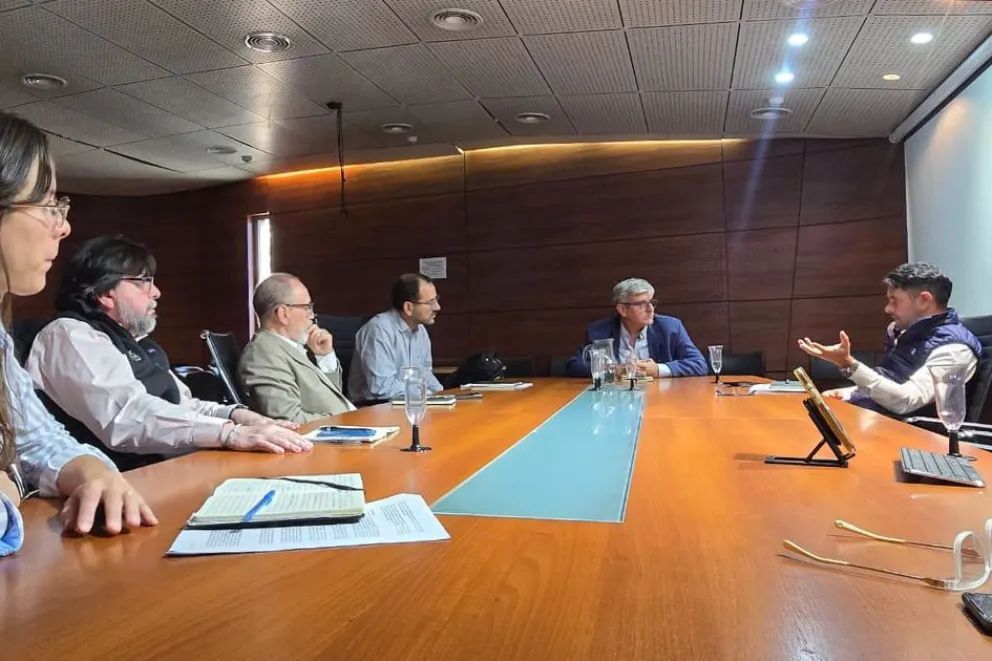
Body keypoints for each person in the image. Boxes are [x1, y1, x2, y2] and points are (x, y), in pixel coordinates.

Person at [0, 111, 157, 548]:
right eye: (48, 206)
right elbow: (126, 418)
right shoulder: (70, 334)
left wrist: (93, 472)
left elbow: (37, 440)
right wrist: (11, 487)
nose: (64, 226)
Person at [26, 236, 312, 471]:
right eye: (143, 281)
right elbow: (126, 417)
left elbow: (182, 406)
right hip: (121, 488)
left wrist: (239, 416)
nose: (156, 292)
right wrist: (229, 433)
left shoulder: (138, 343)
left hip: (164, 472)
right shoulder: (69, 335)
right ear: (105, 292)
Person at [797, 262, 981, 417]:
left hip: (908, 437)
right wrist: (849, 393)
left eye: (895, 300)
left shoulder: (955, 350)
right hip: (875, 419)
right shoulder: (904, 332)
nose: (888, 309)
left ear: (924, 300)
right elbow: (891, 381)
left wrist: (848, 365)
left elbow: (905, 401)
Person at [239, 273, 355, 422]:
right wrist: (342, 420)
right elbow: (292, 420)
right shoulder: (263, 356)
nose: (312, 315)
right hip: (341, 431)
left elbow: (331, 398)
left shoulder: (285, 347)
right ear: (283, 314)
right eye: (307, 307)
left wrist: (324, 357)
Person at [566, 277, 707, 378]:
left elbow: (699, 364)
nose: (650, 309)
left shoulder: (670, 327)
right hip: (613, 399)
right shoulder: (599, 331)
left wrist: (658, 370)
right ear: (622, 309)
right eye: (641, 304)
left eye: (652, 302)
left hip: (660, 398)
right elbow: (574, 366)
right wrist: (614, 370)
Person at [348, 273, 444, 403]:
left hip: (407, 403)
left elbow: (425, 374)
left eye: (436, 299)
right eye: (430, 302)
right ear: (408, 308)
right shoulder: (379, 330)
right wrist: (426, 394)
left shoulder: (421, 330)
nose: (437, 307)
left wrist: (442, 395)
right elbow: (381, 387)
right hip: (372, 407)